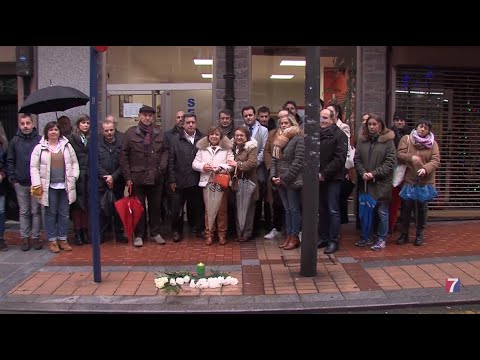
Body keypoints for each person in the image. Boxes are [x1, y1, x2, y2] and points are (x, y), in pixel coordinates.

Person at [119, 105, 169, 247]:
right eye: (145, 115)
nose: (147, 118)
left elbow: (165, 151)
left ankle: (155, 233)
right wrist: (128, 177)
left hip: (156, 177)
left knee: (155, 207)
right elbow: (123, 156)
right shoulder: (130, 133)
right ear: (140, 116)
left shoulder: (159, 133)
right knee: (138, 208)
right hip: (137, 177)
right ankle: (139, 235)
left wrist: (162, 168)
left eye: (150, 116)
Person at [30, 121, 79, 253]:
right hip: (48, 186)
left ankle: (63, 239)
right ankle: (52, 240)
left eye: (56, 130)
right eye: (51, 130)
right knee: (51, 214)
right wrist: (37, 183)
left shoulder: (67, 146)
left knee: (64, 213)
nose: (53, 132)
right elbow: (34, 167)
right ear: (46, 132)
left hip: (65, 186)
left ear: (59, 132)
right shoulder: (39, 148)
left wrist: (73, 177)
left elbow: (74, 163)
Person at [354, 113, 396, 251]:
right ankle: (367, 237)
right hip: (366, 182)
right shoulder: (362, 140)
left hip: (381, 183)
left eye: (374, 124)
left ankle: (381, 238)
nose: (371, 127)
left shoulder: (388, 141)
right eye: (369, 124)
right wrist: (362, 173)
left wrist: (374, 173)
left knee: (382, 212)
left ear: (380, 125)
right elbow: (357, 159)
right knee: (366, 211)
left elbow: (390, 162)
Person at [396, 119, 440, 246]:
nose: (422, 129)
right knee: (406, 208)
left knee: (422, 209)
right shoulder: (407, 139)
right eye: (421, 126)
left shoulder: (433, 143)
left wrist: (425, 169)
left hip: (425, 181)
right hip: (410, 179)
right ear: (416, 127)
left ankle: (419, 235)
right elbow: (399, 154)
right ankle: (404, 234)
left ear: (429, 131)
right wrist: (412, 157)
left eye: (426, 128)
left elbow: (435, 160)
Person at [192, 126, 234, 245]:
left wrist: (221, 168)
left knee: (221, 210)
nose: (214, 137)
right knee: (208, 210)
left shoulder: (227, 149)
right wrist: (203, 167)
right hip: (207, 182)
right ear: (208, 136)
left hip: (221, 183)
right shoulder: (202, 149)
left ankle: (222, 235)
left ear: (220, 137)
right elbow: (194, 164)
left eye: (217, 135)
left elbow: (231, 165)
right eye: (212, 134)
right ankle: (209, 234)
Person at [7, 114, 42, 251]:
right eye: (23, 123)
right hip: (20, 182)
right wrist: (12, 178)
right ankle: (25, 238)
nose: (26, 126)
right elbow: (10, 160)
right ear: (20, 125)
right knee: (24, 211)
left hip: (36, 182)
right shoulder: (14, 141)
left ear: (33, 124)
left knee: (36, 211)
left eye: (28, 123)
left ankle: (35, 237)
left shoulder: (39, 140)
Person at [168, 113, 204, 242]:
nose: (190, 125)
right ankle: (177, 232)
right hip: (179, 180)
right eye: (188, 122)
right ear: (183, 124)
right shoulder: (175, 140)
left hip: (197, 180)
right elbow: (171, 161)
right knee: (176, 209)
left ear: (196, 123)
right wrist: (172, 179)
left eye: (193, 122)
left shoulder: (203, 138)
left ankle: (199, 229)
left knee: (198, 207)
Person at [270, 114, 304, 250]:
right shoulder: (278, 139)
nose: (283, 125)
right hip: (279, 181)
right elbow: (274, 160)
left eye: (286, 123)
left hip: (292, 181)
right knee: (287, 210)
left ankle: (294, 236)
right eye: (281, 123)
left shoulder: (298, 139)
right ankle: (289, 236)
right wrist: (273, 176)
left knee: (294, 210)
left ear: (292, 124)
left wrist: (284, 178)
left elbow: (298, 162)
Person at [317, 108, 348, 254]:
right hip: (318, 178)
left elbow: (339, 159)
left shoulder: (340, 135)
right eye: (320, 117)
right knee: (321, 210)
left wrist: (324, 173)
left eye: (325, 118)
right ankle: (323, 237)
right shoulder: (315, 134)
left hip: (333, 178)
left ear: (332, 119)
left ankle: (333, 241)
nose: (322, 120)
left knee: (333, 210)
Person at [227, 126, 258, 242]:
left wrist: (237, 164)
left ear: (247, 137)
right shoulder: (232, 148)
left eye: (241, 135)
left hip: (249, 183)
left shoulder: (251, 147)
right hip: (237, 183)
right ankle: (239, 232)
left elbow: (251, 163)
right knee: (237, 208)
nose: (239, 137)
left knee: (248, 209)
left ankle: (247, 233)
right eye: (237, 135)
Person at [98, 120, 127, 243]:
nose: (109, 133)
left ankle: (119, 234)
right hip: (102, 182)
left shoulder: (121, 143)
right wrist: (106, 176)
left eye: (111, 130)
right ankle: (102, 234)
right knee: (102, 209)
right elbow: (95, 163)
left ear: (114, 129)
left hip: (118, 182)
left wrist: (113, 177)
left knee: (119, 209)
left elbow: (124, 163)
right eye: (106, 130)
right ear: (102, 131)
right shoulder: (97, 144)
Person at [67, 114, 90, 245]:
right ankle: (78, 232)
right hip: (77, 176)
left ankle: (85, 231)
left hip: (89, 175)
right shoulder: (71, 139)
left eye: (87, 123)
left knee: (86, 205)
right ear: (78, 125)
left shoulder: (92, 138)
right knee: (77, 206)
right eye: (83, 123)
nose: (86, 125)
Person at [389, 111, 412, 234]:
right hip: (393, 171)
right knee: (393, 200)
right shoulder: (388, 134)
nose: (399, 122)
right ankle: (391, 225)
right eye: (397, 119)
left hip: (408, 171)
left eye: (402, 120)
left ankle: (404, 226)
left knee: (406, 201)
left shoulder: (411, 135)